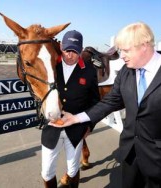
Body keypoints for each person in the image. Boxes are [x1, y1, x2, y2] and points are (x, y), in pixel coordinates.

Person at [52, 22, 161, 188]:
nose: (121, 55)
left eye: (126, 50)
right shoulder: (126, 71)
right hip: (130, 157)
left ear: (144, 46)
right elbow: (111, 101)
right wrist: (77, 118)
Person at [41, 30, 100, 188]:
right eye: (67, 50)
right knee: (46, 172)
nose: (70, 55)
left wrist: (90, 125)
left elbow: (95, 100)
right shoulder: (51, 65)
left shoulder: (89, 71)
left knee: (73, 170)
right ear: (61, 47)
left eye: (74, 51)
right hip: (51, 128)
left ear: (80, 51)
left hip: (76, 130)